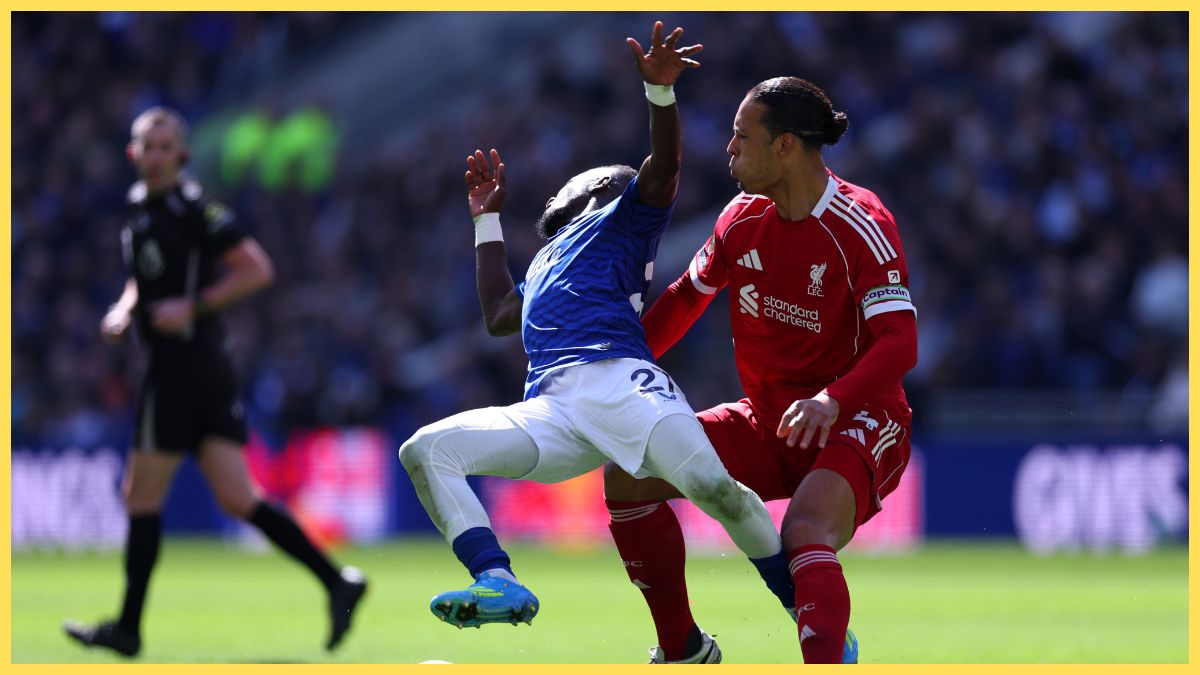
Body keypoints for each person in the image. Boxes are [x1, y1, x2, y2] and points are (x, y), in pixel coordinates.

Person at [397, 22, 784, 663]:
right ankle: (496, 577)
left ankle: (804, 608)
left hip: (617, 379)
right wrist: (485, 220)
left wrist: (660, 96)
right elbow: (498, 315)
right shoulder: (552, 258)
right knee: (426, 450)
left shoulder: (620, 220)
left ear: (590, 191)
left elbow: (662, 170)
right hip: (552, 405)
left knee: (719, 492)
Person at [603, 76, 919, 664]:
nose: (728, 150)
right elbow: (684, 299)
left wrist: (833, 400)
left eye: (741, 137)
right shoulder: (741, 219)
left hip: (859, 421)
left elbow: (901, 345)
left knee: (805, 531)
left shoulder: (861, 225)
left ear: (786, 147)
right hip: (768, 423)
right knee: (628, 475)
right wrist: (608, 359)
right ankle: (683, 649)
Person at [63, 107, 367, 658]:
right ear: (133, 155)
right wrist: (125, 308)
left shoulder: (193, 209)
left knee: (140, 495)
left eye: (165, 146)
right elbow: (145, 275)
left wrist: (192, 305)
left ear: (181, 156)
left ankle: (128, 628)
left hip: (183, 364)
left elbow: (256, 268)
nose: (155, 155)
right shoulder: (141, 209)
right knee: (237, 496)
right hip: (205, 367)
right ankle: (336, 580)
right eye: (146, 145)